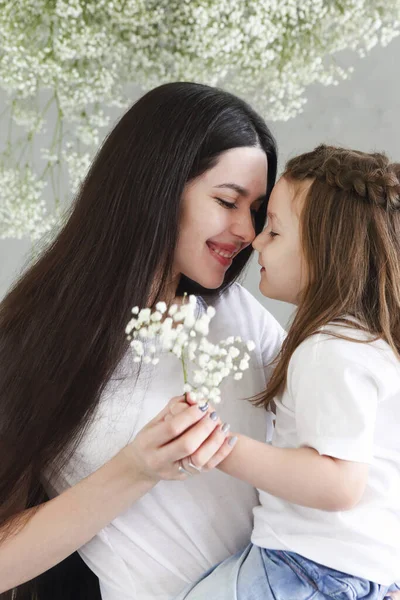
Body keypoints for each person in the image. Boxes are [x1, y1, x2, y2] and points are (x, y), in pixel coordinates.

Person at [0, 82, 285, 600]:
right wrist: (136, 468)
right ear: (156, 185)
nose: (247, 230)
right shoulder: (38, 341)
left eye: (258, 211)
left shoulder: (240, 318)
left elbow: (342, 451)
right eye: (227, 201)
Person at [174, 145, 400, 599]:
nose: (254, 241)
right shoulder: (370, 345)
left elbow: (338, 483)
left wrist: (218, 446)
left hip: (306, 570)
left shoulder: (330, 350)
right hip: (363, 575)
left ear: (325, 251)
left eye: (273, 231)